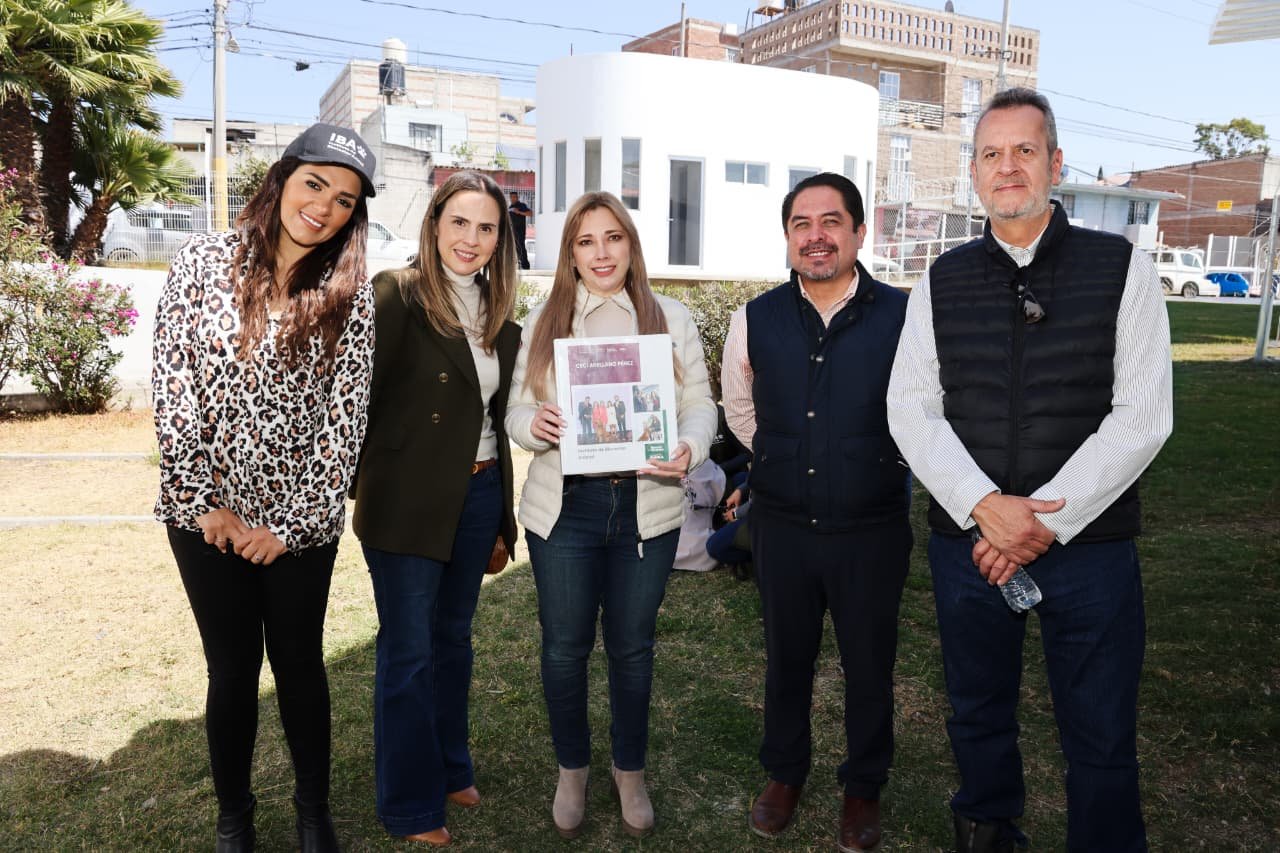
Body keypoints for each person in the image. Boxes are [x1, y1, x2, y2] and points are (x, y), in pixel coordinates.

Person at [886, 88, 1172, 853]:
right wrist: (985, 505)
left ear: (1054, 162)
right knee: (976, 711)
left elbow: (1143, 417)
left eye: (1023, 150)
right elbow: (910, 407)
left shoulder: (1124, 270)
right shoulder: (940, 279)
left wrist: (1040, 520)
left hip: (1092, 550)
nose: (1006, 166)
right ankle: (986, 830)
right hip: (970, 546)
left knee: (1102, 730)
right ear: (973, 172)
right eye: (991, 152)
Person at [152, 122, 377, 853]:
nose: (325, 207)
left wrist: (291, 523)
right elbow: (172, 389)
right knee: (232, 668)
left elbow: (345, 423)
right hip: (206, 521)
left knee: (301, 663)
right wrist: (206, 504)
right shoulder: (201, 262)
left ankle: (315, 813)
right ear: (284, 176)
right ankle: (234, 819)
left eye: (345, 200)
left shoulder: (351, 293)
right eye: (316, 183)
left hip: (298, 530)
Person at [505, 191, 717, 840]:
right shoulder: (544, 320)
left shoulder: (670, 317)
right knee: (565, 648)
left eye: (613, 238)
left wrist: (690, 444)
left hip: (645, 510)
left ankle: (630, 768)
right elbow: (515, 412)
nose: (601, 252)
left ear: (631, 245)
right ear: (570, 253)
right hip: (565, 511)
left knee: (632, 647)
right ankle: (572, 767)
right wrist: (534, 424)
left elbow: (700, 405)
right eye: (586, 241)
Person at [721, 172, 912, 852]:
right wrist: (783, 457)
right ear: (787, 238)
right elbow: (741, 409)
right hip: (783, 526)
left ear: (861, 232)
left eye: (832, 221)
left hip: (873, 527)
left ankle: (863, 786)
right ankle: (785, 773)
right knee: (786, 659)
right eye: (802, 223)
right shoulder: (756, 317)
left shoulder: (905, 314)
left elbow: (925, 410)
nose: (817, 235)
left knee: (869, 664)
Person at [350, 171, 521, 848]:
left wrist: (502, 517)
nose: (471, 239)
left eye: (486, 227)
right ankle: (409, 801)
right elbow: (352, 397)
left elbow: (499, 418)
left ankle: (451, 766)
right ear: (435, 222)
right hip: (407, 503)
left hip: (476, 494)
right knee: (409, 652)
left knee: (453, 642)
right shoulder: (397, 292)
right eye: (460, 222)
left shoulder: (501, 307)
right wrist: (361, 484)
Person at [508, 190, 532, 269]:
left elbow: (530, 213)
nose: (513, 199)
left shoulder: (522, 205)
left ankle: (525, 266)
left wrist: (519, 212)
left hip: (521, 231)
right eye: (511, 197)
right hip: (512, 231)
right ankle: (517, 264)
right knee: (514, 248)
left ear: (517, 197)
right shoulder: (510, 208)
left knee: (521, 246)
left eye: (514, 197)